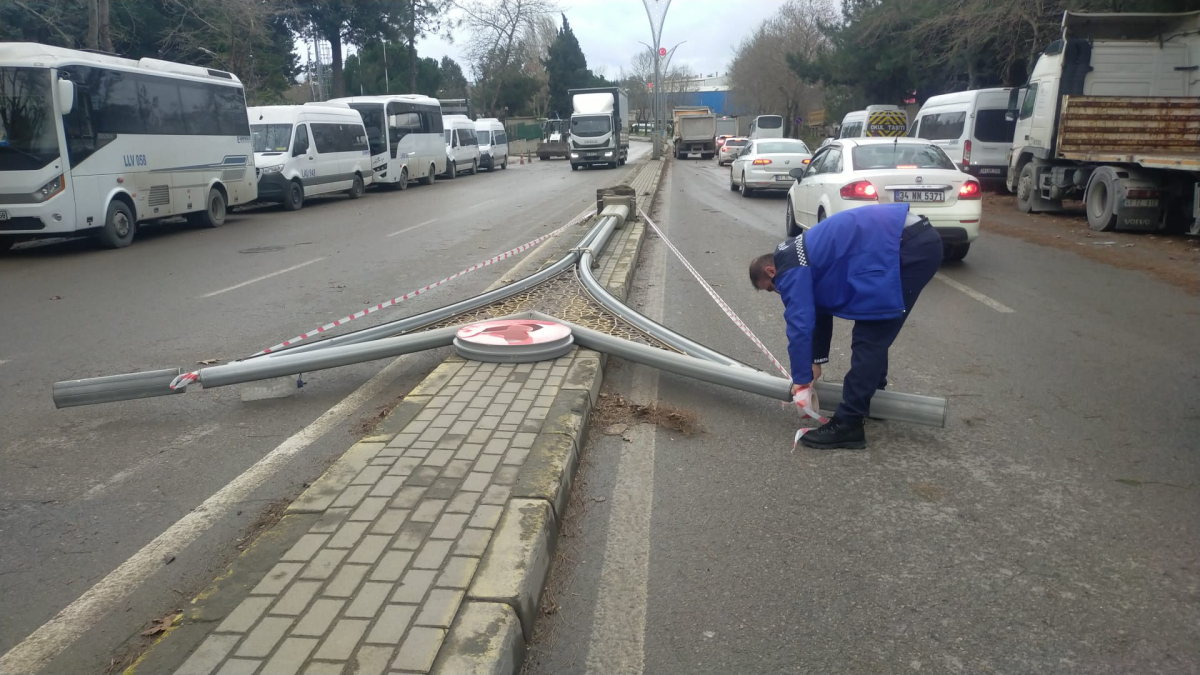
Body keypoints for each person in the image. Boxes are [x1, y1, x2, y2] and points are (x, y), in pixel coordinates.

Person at [748, 203, 943, 449]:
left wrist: (801, 381)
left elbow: (800, 323)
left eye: (770, 287)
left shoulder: (788, 268)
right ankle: (874, 396)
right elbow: (818, 310)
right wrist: (814, 362)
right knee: (871, 327)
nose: (777, 292)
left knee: (870, 335)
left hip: (907, 247)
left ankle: (849, 424)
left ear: (770, 270)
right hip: (904, 240)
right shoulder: (798, 252)